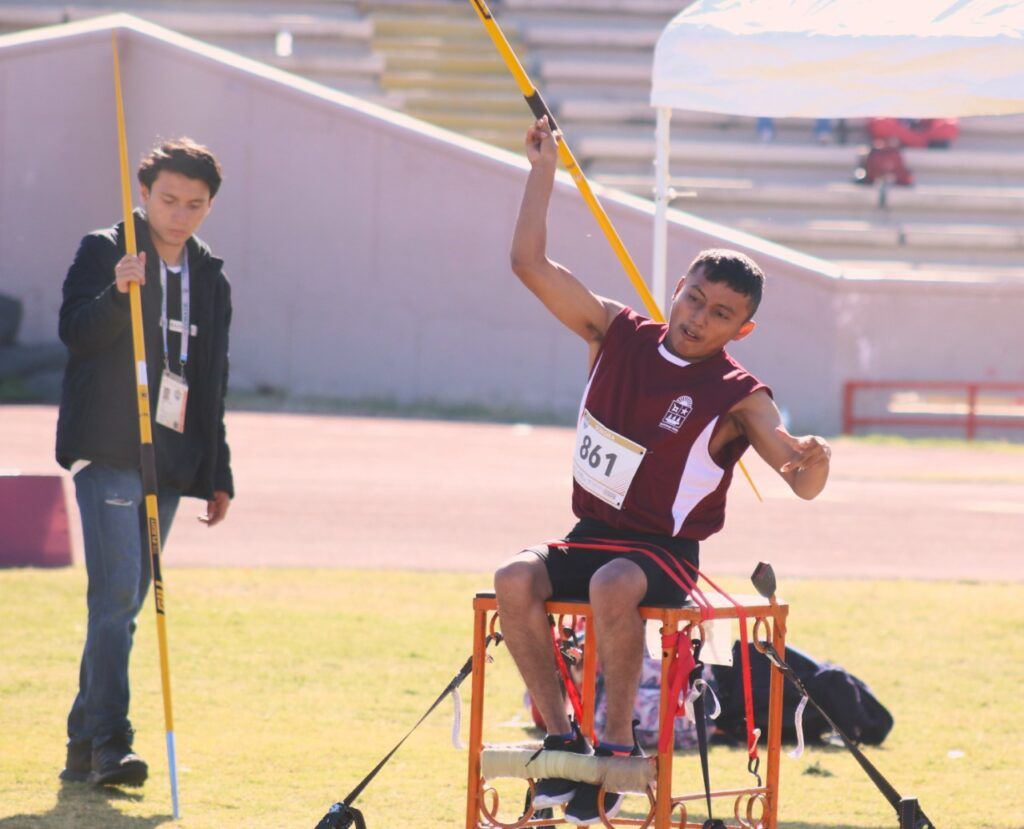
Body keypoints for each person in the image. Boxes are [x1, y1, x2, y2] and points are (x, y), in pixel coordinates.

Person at [493, 117, 831, 826]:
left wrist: (813, 462)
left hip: (661, 553)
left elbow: (797, 478)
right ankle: (563, 743)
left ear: (742, 328)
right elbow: (528, 266)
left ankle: (616, 751)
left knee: (619, 581)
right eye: (693, 300)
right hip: (589, 532)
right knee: (512, 576)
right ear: (677, 287)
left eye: (720, 315)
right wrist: (542, 172)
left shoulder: (741, 393)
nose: (698, 319)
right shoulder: (615, 331)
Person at [55, 138, 234, 787]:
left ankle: (82, 744)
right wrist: (115, 292)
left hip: (174, 457)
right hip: (108, 446)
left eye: (194, 204)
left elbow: (212, 377)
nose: (179, 214)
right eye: (168, 200)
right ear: (145, 192)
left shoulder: (210, 276)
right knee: (118, 594)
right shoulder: (105, 249)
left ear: (209, 205)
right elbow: (74, 332)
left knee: (125, 603)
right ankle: (111, 741)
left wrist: (218, 472)